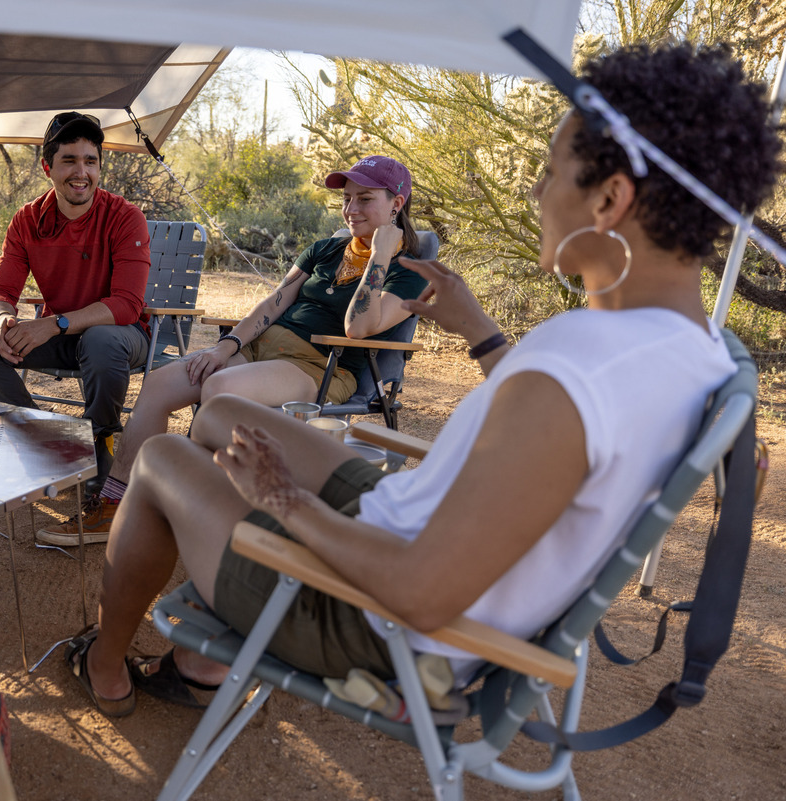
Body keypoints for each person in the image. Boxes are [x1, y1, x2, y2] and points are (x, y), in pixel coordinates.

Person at [59, 43, 781, 717]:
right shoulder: (701, 351)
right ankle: (197, 661)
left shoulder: (574, 368)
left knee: (160, 457)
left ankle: (108, 667)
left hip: (370, 615)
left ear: (610, 199)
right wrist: (483, 335)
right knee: (218, 421)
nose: (536, 190)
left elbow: (419, 592)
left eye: (551, 170)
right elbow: (558, 431)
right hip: (413, 517)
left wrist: (283, 500)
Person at [36, 155, 430, 546]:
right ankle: (115, 504)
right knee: (159, 385)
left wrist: (379, 254)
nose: (350, 209)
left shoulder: (410, 269)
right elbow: (274, 303)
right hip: (260, 347)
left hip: (319, 365)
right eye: (347, 198)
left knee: (220, 391)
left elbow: (357, 327)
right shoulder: (325, 249)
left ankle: (179, 505)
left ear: (397, 203)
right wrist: (226, 347)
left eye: (365, 199)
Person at [0, 112, 151, 486]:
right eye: (69, 161)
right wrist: (1, 320)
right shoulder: (27, 220)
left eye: (90, 161)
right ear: (48, 167)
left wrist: (54, 323)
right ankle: (46, 441)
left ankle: (97, 443)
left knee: (101, 338)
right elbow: (0, 293)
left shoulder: (125, 217)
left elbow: (127, 304)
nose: (82, 172)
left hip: (120, 338)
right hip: (60, 338)